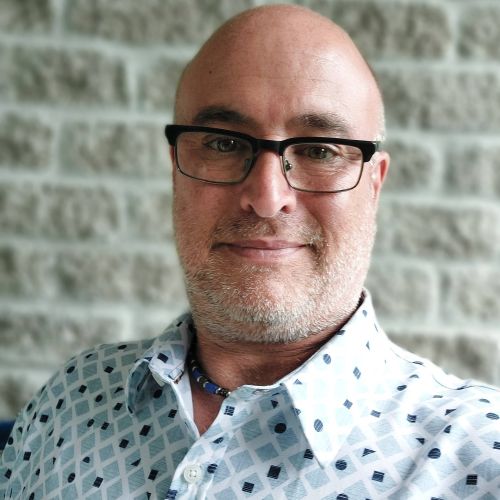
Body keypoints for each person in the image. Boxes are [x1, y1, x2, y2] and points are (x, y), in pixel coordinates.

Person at [1, 4, 499, 499]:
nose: (267, 197)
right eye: (223, 144)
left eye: (319, 150)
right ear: (176, 169)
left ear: (374, 184)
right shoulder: (71, 398)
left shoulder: (478, 460)